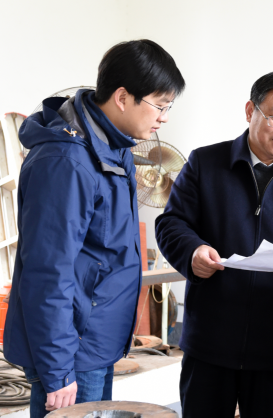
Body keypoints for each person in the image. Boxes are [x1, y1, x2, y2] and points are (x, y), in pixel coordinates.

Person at [4, 40, 185, 417]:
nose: (165, 118)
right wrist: (57, 369)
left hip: (96, 342)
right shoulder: (66, 162)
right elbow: (47, 273)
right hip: (73, 351)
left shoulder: (113, 146)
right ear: (123, 97)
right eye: (160, 105)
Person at [155, 71, 273, 418]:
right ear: (250, 111)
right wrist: (193, 251)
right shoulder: (205, 163)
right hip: (210, 341)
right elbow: (172, 223)